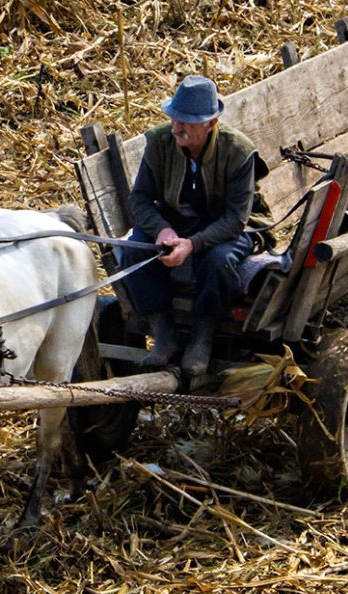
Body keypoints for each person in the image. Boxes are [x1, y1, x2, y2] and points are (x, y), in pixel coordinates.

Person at [119, 74, 263, 375]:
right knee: (134, 250)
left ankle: (203, 333)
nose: (176, 127)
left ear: (210, 123)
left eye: (186, 122)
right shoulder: (160, 142)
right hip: (175, 220)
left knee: (219, 261)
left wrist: (192, 245)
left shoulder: (238, 152)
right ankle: (163, 331)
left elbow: (236, 220)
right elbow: (140, 199)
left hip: (221, 225)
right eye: (174, 118)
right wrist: (163, 230)